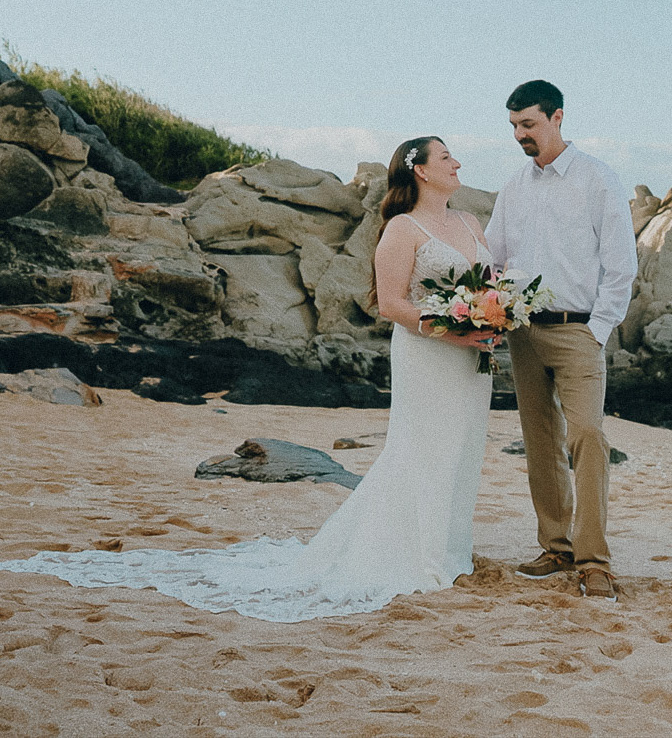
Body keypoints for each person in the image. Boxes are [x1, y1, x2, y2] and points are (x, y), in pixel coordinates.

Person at [0, 137, 498, 622]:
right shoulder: (403, 229)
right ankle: (414, 555)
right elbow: (390, 304)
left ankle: (450, 550)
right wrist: (452, 330)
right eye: (446, 156)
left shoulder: (470, 221)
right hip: (429, 355)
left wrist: (494, 317)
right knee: (420, 448)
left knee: (462, 448)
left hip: (471, 358)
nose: (457, 163)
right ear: (421, 170)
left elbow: (488, 286)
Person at [486, 80, 637, 602]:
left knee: (588, 437)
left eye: (528, 124)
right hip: (523, 331)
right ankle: (556, 547)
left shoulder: (598, 179)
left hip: (579, 329)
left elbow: (621, 265)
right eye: (514, 126)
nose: (519, 135)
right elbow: (494, 256)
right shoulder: (514, 186)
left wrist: (598, 330)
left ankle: (594, 561)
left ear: (557, 118)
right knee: (540, 441)